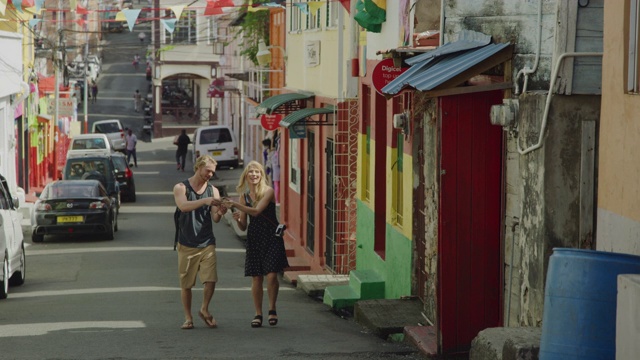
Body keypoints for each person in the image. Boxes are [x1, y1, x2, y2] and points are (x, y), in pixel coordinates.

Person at [223, 161, 289, 328]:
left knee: (272, 275)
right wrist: (237, 218)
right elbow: (244, 226)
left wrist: (235, 204)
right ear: (246, 176)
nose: (253, 175)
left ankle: (272, 309)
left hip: (272, 237)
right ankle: (258, 313)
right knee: (256, 277)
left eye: (257, 172)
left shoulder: (268, 191)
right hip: (255, 238)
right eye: (250, 172)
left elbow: (257, 211)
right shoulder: (244, 197)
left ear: (261, 175)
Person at [173, 155, 227, 330]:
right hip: (186, 242)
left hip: (207, 241)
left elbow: (215, 218)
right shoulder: (181, 187)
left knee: (211, 279)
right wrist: (204, 200)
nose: (210, 174)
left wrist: (221, 212)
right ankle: (188, 318)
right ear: (198, 167)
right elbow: (183, 206)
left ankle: (204, 308)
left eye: (213, 172)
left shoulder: (213, 190)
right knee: (186, 284)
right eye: (208, 171)